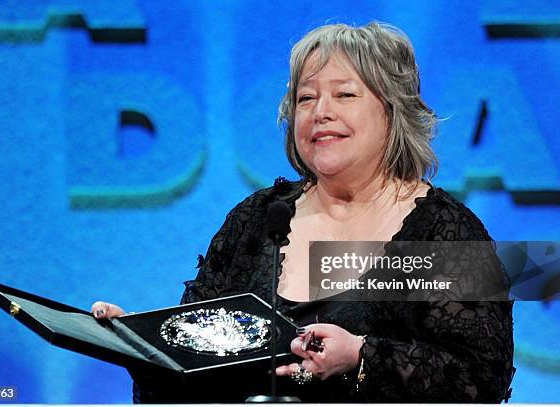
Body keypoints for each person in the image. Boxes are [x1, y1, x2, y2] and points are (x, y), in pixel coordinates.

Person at [92, 21, 515, 402]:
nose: (320, 112)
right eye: (306, 97)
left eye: (345, 94)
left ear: (393, 112)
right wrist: (144, 349)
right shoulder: (258, 219)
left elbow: (478, 379)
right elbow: (194, 366)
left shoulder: (443, 230)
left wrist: (362, 357)